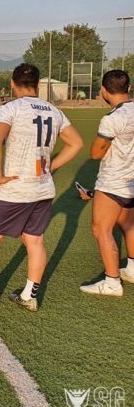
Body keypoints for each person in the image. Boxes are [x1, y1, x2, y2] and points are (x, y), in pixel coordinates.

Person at [0, 63, 84, 312]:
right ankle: (29, 296)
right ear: (37, 85)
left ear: (13, 84)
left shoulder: (11, 108)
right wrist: (52, 166)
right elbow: (76, 143)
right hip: (43, 187)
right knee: (35, 241)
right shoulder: (53, 111)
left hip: (16, 188)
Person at [78, 70, 134, 296]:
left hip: (113, 182)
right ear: (128, 88)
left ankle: (112, 282)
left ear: (103, 90)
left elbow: (96, 153)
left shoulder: (113, 118)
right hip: (131, 181)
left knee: (101, 229)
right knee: (129, 225)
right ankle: (131, 268)